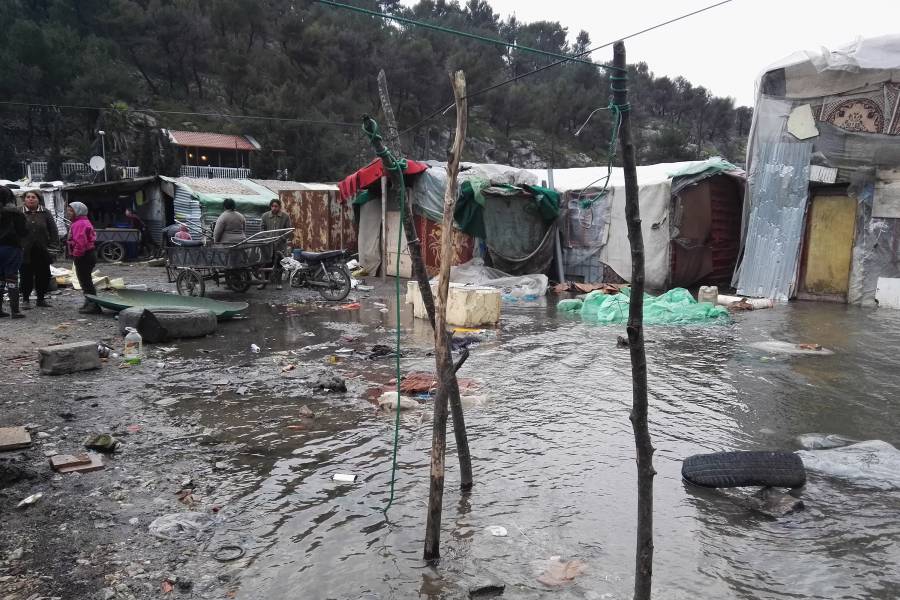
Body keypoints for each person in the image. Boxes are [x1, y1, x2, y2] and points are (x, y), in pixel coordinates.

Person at [20, 191, 59, 308]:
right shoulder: (18, 212)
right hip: (24, 250)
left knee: (43, 274)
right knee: (25, 275)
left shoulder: (45, 212)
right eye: (28, 197)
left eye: (33, 197)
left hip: (42, 249)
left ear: (38, 199)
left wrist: (53, 246)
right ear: (24, 200)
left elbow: (53, 230)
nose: (31, 199)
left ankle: (41, 299)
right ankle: (26, 300)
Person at [67, 202, 102, 314]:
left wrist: (76, 255)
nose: (68, 213)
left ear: (78, 211)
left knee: (85, 282)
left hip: (84, 255)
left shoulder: (79, 224)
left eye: (71, 210)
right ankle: (89, 302)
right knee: (86, 281)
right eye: (68, 210)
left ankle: (93, 305)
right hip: (88, 254)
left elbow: (80, 242)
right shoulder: (82, 221)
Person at [0, 186, 27, 319]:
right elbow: (23, 232)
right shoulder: (15, 213)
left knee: (0, 279)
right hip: (11, 248)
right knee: (11, 278)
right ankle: (15, 311)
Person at [258, 198, 293, 290]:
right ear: (270, 207)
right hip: (268, 245)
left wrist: (282, 238)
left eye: (276, 206)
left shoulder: (285, 216)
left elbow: (288, 230)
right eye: (272, 206)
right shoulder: (265, 216)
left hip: (280, 245)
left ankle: (279, 283)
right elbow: (262, 229)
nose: (274, 208)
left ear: (279, 207)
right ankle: (264, 283)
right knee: (266, 264)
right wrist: (266, 238)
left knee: (279, 264)